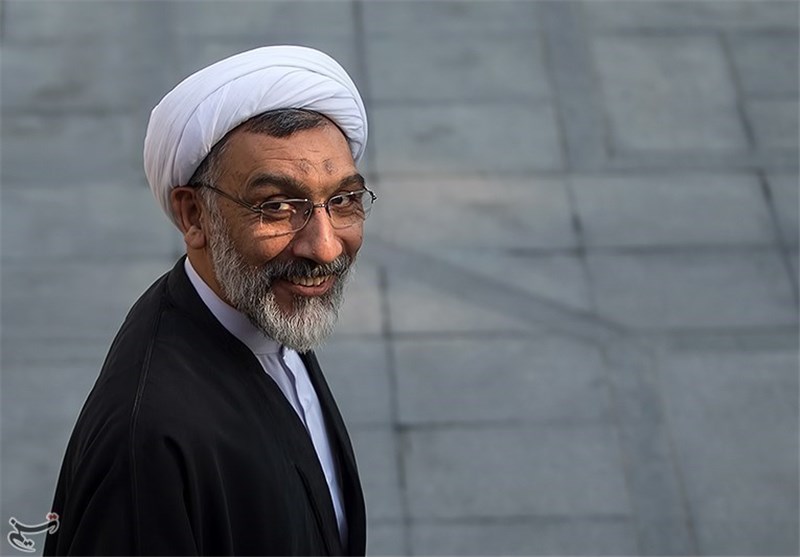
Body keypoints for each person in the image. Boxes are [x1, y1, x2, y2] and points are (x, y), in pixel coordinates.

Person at [43, 45, 374, 556]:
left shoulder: (265, 312)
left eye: (343, 200)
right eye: (276, 207)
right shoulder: (148, 439)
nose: (325, 247)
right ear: (193, 215)